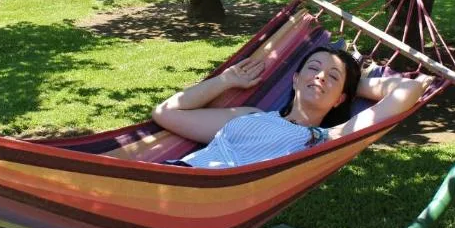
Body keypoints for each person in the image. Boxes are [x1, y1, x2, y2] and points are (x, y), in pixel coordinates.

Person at [152, 47, 434, 169]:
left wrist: (352, 84)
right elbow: (166, 113)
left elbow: (409, 89)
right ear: (295, 79)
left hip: (206, 195)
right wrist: (225, 80)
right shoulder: (249, 115)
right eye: (313, 69)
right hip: (178, 176)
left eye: (331, 77)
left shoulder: (326, 138)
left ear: (340, 100)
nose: (321, 76)